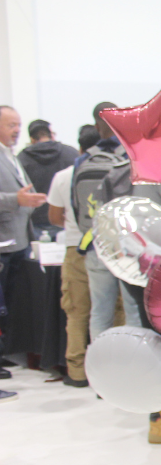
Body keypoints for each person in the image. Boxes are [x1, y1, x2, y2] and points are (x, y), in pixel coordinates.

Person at [78, 103, 141, 340]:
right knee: (133, 311)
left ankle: (99, 372)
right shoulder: (131, 157)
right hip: (127, 246)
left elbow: (79, 208)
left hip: (95, 243)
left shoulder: (83, 160)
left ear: (96, 126)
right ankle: (133, 368)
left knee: (100, 312)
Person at [46, 125, 101, 388]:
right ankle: (110, 372)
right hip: (107, 248)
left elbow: (54, 217)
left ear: (79, 147)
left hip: (74, 247)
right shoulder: (117, 170)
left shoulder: (64, 176)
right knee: (111, 310)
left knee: (77, 312)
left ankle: (77, 372)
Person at [0, 105, 47, 400]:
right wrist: (15, 200)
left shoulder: (11, 156)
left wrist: (27, 201)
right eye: (10, 125)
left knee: (8, 308)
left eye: (18, 124)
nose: (17, 129)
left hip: (18, 241)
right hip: (4, 242)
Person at [18, 119, 78, 240]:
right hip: (64, 220)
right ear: (51, 135)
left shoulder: (21, 158)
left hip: (35, 222)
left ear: (32, 139)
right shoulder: (71, 153)